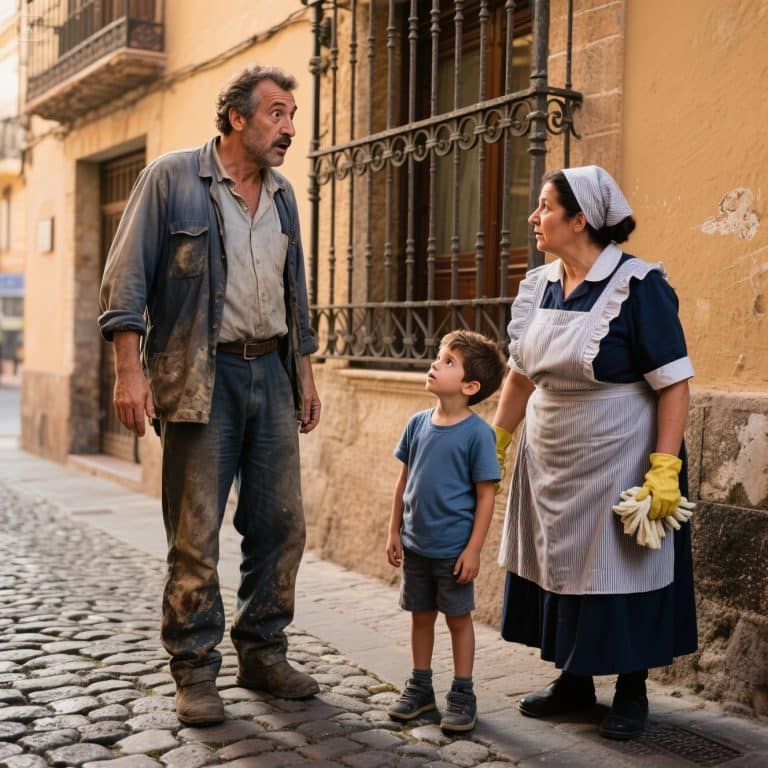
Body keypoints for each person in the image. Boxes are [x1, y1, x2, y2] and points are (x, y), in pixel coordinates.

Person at [98, 66, 321, 726]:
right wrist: (127, 372)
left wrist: (304, 377)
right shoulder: (171, 179)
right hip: (201, 378)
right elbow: (125, 278)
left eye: (291, 113)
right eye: (277, 113)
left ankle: (263, 652)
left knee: (281, 525)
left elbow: (295, 294)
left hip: (273, 373)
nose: (289, 126)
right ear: (237, 119)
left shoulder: (282, 197)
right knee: (195, 537)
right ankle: (194, 670)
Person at [493, 165, 697, 741]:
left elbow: (674, 383)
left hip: (620, 450)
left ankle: (631, 691)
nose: (534, 218)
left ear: (580, 219)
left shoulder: (639, 285)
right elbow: (519, 374)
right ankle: (574, 681)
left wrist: (665, 468)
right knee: (560, 563)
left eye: (544, 208)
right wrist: (498, 442)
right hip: (552, 452)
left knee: (621, 567)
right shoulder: (539, 286)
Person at [386, 330, 506, 733]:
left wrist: (473, 551)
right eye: (439, 356)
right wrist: (393, 532)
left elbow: (486, 498)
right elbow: (403, 483)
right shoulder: (416, 423)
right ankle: (420, 688)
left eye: (448, 361)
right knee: (420, 616)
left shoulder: (478, 435)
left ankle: (462, 693)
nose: (436, 363)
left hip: (453, 551)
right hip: (416, 547)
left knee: (458, 620)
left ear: (470, 386)